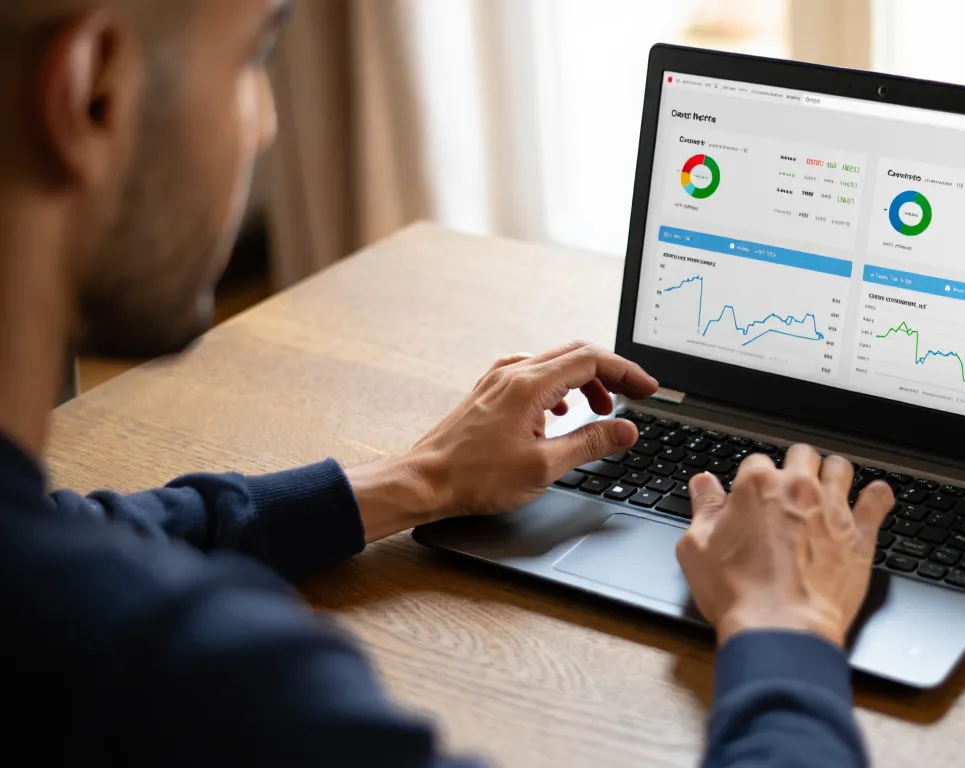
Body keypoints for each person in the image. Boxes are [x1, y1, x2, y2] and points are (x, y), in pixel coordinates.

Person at [0, 1, 897, 766]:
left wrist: (419, 480)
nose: (268, 123)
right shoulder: (212, 690)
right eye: (254, 57)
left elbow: (85, 533)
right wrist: (786, 630)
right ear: (91, 94)